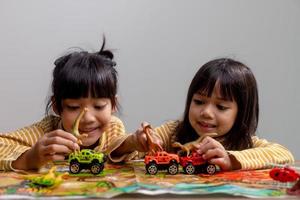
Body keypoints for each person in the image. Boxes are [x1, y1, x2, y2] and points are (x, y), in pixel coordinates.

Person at [109, 58, 294, 171]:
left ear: (241, 113)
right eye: (199, 102)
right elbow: (113, 150)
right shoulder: (173, 133)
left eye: (221, 107)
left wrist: (231, 159)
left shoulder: (244, 142)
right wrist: (134, 142)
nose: (206, 112)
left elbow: (283, 154)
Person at [0, 38, 132, 171]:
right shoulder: (45, 132)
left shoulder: (113, 128)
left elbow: (125, 149)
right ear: (57, 106)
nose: (88, 118)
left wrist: (136, 142)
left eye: (98, 106)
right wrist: (30, 158)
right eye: (74, 107)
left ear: (113, 105)